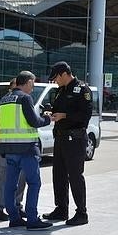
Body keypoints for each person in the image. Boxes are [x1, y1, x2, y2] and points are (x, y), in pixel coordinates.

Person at [0, 71, 52, 230]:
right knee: (34, 183)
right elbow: (34, 121)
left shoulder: (3, 100)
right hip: (26, 149)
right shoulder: (25, 98)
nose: (33, 87)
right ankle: (32, 219)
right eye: (32, 84)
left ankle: (14, 218)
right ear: (27, 82)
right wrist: (48, 118)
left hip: (9, 149)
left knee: (10, 185)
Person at [43, 61, 92, 226]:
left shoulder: (81, 90)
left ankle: (81, 213)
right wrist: (53, 113)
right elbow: (60, 110)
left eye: (56, 77)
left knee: (75, 176)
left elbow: (85, 116)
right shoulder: (60, 90)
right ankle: (61, 209)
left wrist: (65, 116)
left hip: (75, 139)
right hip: (60, 138)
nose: (54, 81)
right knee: (59, 175)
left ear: (64, 74)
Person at [0, 78, 27, 221]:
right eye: (13, 88)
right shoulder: (4, 103)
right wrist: (1, 139)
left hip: (21, 147)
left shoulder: (25, 101)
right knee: (3, 178)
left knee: (21, 178)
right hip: (7, 147)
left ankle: (17, 205)